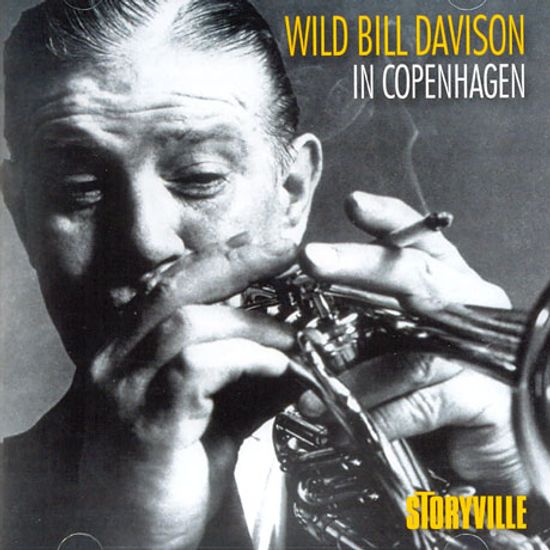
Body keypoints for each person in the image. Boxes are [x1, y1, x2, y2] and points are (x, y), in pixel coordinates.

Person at [1, 0, 546, 548]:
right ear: (22, 215)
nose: (146, 241)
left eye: (199, 178)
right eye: (79, 191)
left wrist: (526, 495)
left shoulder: (457, 456)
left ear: (293, 194)